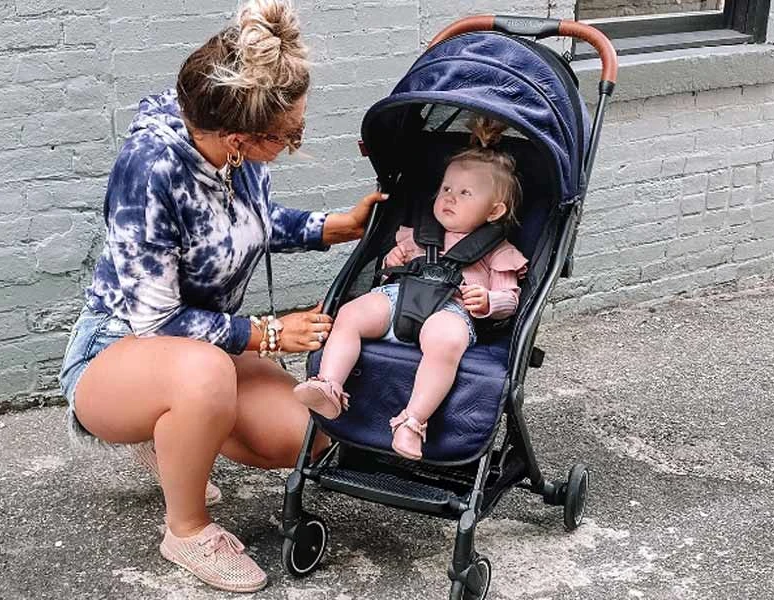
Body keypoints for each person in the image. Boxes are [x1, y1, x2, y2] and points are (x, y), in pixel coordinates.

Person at [57, 0, 385, 592]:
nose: (293, 144)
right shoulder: (150, 170)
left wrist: (335, 226)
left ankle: (175, 438)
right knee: (205, 374)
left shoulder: (232, 154)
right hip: (117, 354)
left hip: (201, 350)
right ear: (241, 138)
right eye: (289, 136)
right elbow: (157, 322)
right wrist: (269, 334)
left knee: (303, 437)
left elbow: (243, 226)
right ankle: (185, 528)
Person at [293, 119, 527, 461]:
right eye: (447, 189)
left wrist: (490, 300)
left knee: (445, 339)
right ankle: (329, 385)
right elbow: (390, 266)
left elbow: (511, 299)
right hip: (398, 298)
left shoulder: (498, 252)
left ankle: (413, 421)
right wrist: (394, 259)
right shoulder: (416, 233)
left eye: (465, 194)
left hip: (452, 310)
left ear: (495, 211)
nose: (450, 198)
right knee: (351, 314)